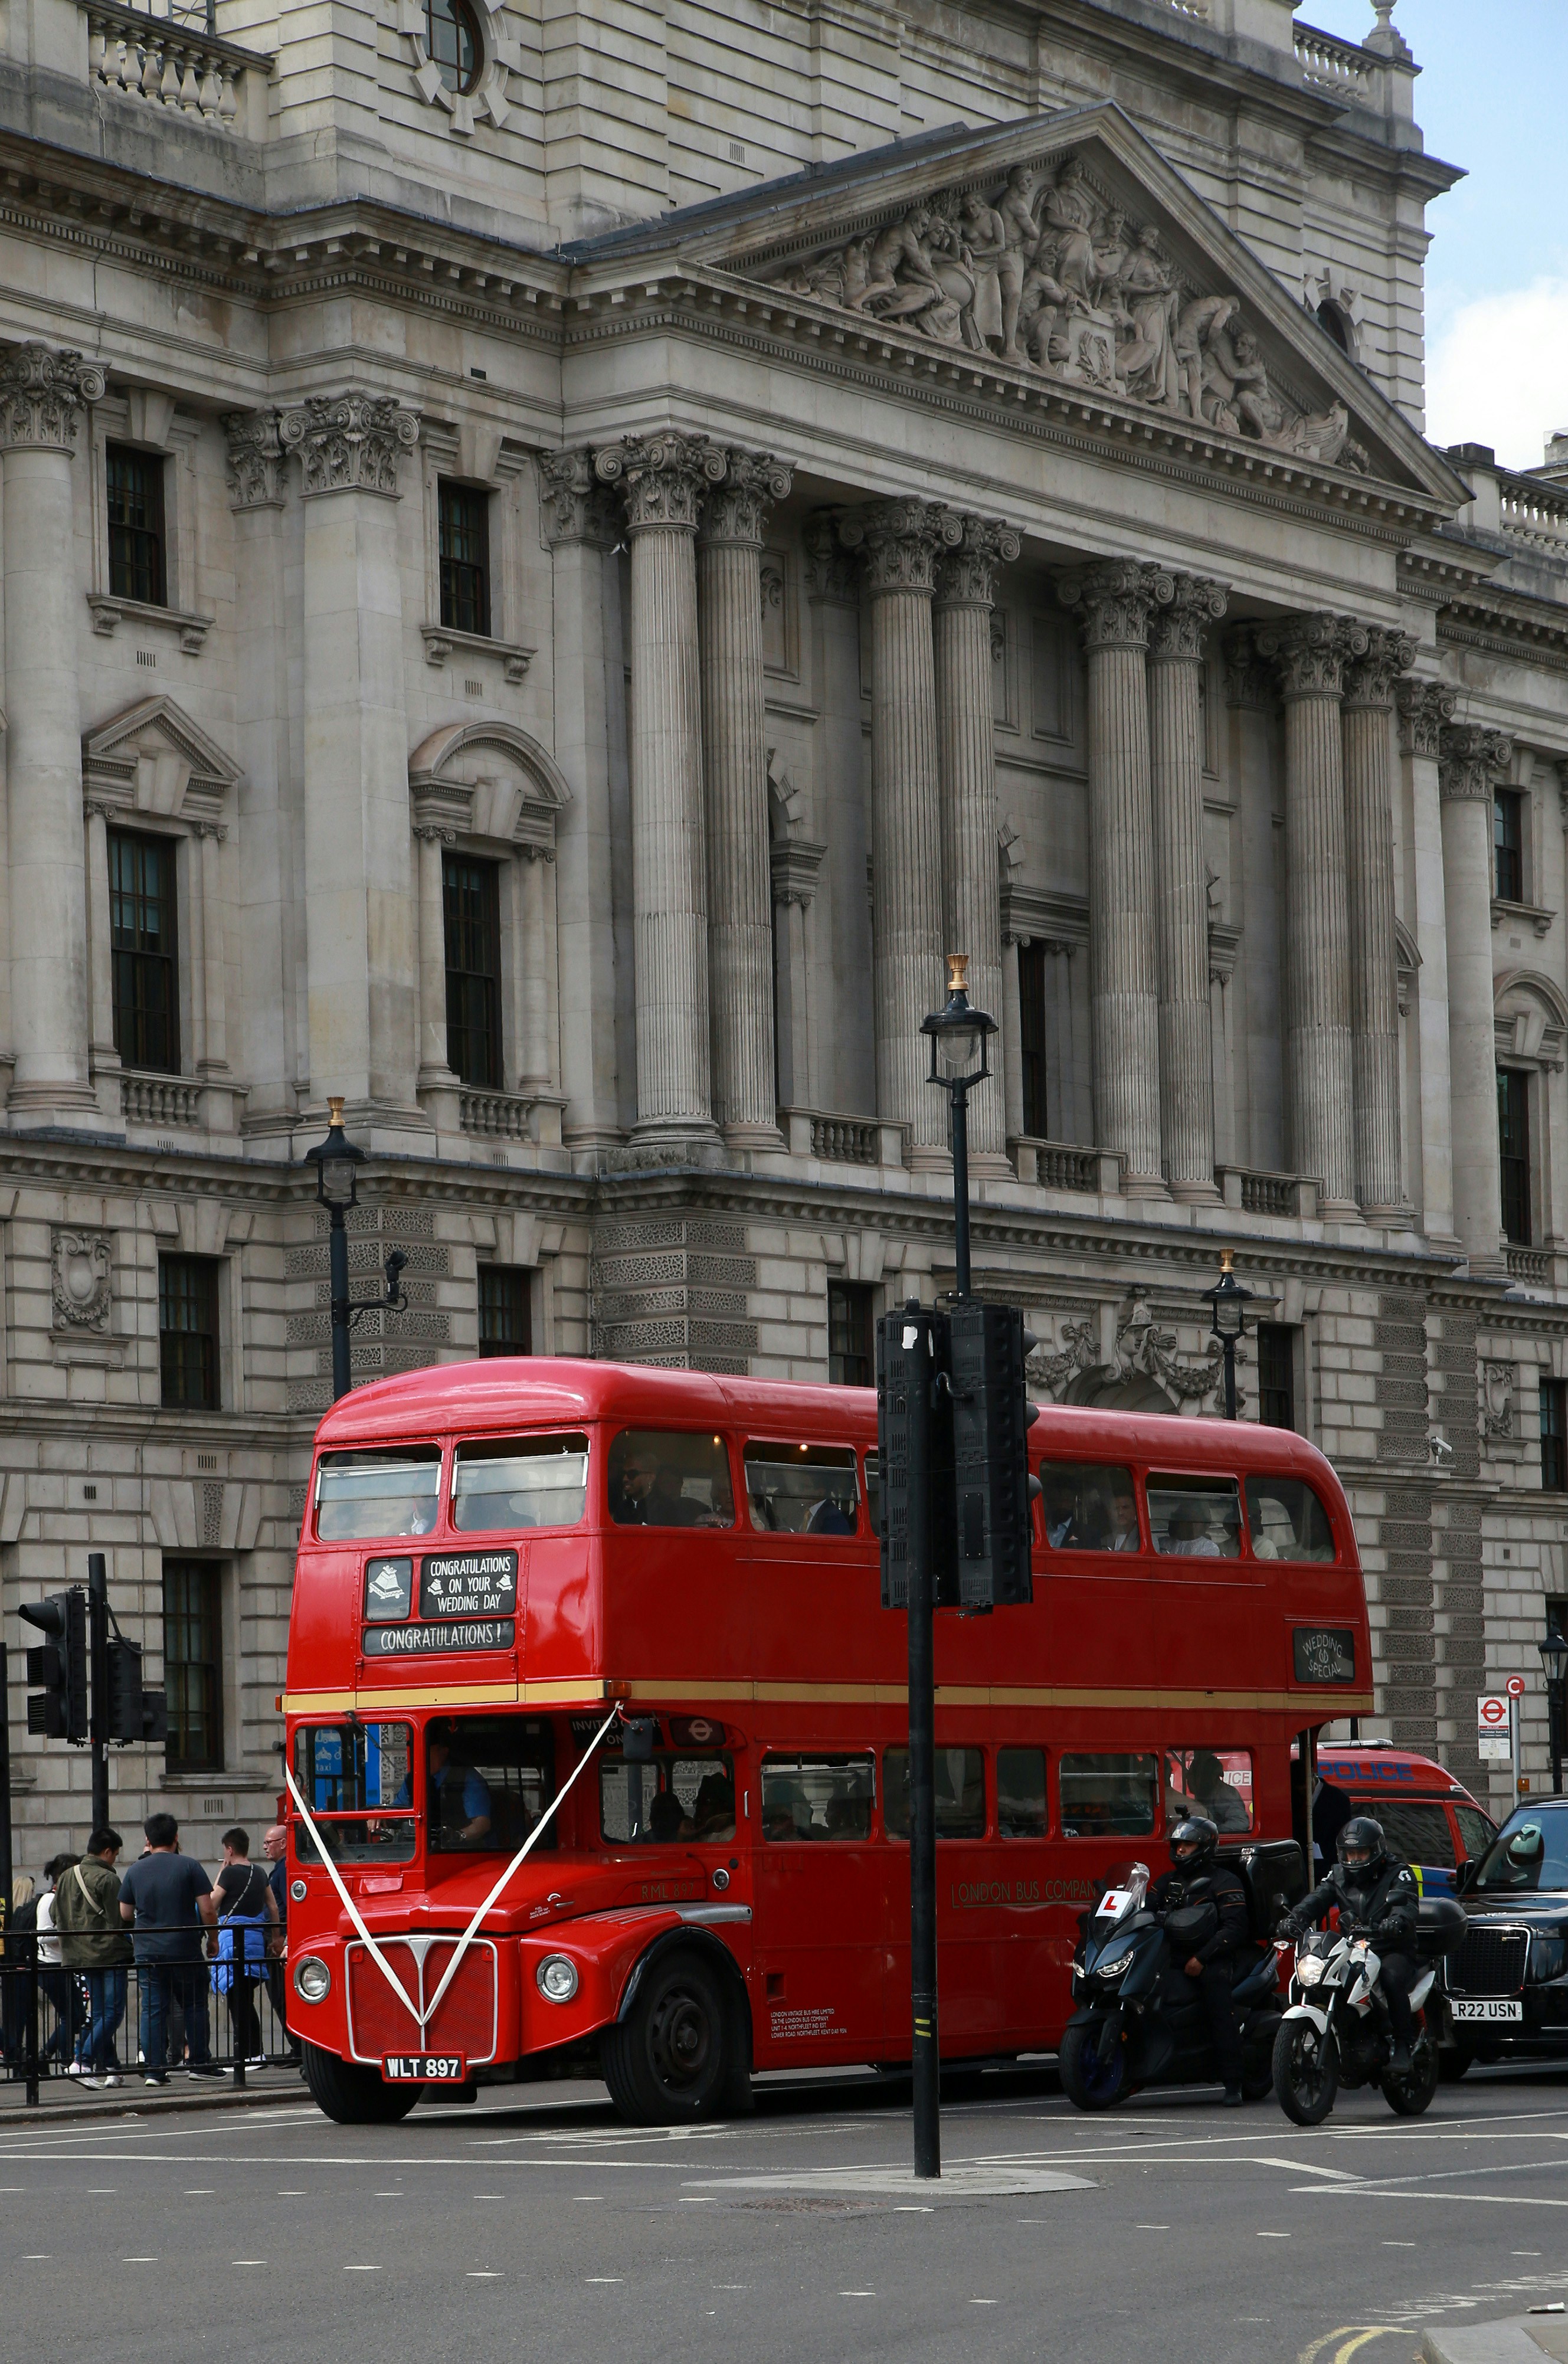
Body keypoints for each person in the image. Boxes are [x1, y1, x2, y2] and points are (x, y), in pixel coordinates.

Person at [1282, 1815, 1420, 2075]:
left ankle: (1403, 2045)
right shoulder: (1338, 1875)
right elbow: (1316, 1899)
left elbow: (1408, 1904)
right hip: (1355, 1947)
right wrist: (1294, 1918)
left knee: (1390, 1977)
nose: (1354, 1860)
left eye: (1361, 1853)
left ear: (1377, 1850)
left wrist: (1397, 1921)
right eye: (1350, 1854)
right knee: (1324, 1976)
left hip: (1392, 1947)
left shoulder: (1398, 1873)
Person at [1149, 1815, 1251, 2106]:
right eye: (1178, 1845)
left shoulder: (1224, 1881)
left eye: (1188, 1845)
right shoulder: (1167, 1881)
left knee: (1218, 2006)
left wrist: (1202, 1958)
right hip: (1171, 1956)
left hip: (1212, 1959)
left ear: (1205, 1847)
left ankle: (1233, 2082)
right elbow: (1145, 1910)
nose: (1180, 1850)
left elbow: (1235, 1928)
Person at [117, 1813, 217, 2085]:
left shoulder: (135, 1870)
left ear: (148, 1840)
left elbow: (125, 1913)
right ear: (176, 1838)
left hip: (148, 1950)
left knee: (152, 2010)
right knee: (195, 2005)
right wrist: (213, 1938)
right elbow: (207, 1909)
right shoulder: (189, 1866)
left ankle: (154, 2070)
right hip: (184, 1948)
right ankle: (199, 2063)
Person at [53, 1829, 131, 2085]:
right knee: (113, 2014)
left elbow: (56, 1914)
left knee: (98, 2014)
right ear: (107, 1851)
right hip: (108, 1953)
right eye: (115, 1855)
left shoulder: (65, 1877)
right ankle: (82, 2060)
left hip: (79, 1955)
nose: (115, 1860)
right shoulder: (108, 1880)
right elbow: (119, 1920)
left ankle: (112, 2069)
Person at [208, 1828, 279, 2069]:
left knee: (237, 2001)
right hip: (255, 1942)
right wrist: (277, 1938)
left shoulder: (230, 1876)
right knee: (244, 1998)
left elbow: (212, 1903)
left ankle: (251, 2054)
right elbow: (274, 1908)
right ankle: (252, 2053)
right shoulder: (260, 1873)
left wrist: (221, 1872)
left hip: (233, 1944)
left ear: (229, 1850)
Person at [394, 1720, 492, 1846]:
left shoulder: (467, 1777)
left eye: (426, 1750)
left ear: (444, 1751)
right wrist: (381, 1817)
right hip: (419, 1850)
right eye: (417, 1750)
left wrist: (458, 1836)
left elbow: (482, 1824)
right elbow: (396, 1811)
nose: (420, 1756)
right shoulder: (411, 1780)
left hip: (460, 1853)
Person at [36, 1855, 88, 2067]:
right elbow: (42, 1936)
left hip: (61, 1966)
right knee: (72, 2017)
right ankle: (54, 2057)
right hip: (50, 1966)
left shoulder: (64, 1899)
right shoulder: (49, 1900)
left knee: (77, 2016)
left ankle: (51, 2056)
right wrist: (69, 1931)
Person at [261, 1825, 300, 2065]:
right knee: (278, 1995)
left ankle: (298, 2047)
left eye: (269, 1842)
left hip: (281, 1939)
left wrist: (283, 1939)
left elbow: (290, 1907)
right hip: (278, 1937)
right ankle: (295, 2047)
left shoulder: (285, 1869)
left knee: (281, 1995)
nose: (265, 1846)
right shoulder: (279, 1869)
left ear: (284, 1843)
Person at [1107, 1485, 1141, 1553]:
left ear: (1135, 1510)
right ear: (1109, 1513)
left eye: (1125, 1508)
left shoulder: (1146, 1540)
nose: (1120, 1513)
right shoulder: (1104, 1541)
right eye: (1116, 1508)